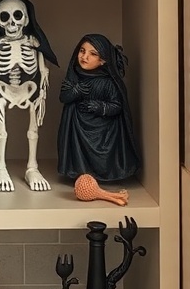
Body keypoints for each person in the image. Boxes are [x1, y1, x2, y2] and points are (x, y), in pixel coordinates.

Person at [57, 33, 141, 183]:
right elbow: (64, 97)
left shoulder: (108, 83)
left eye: (92, 54)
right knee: (79, 153)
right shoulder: (74, 77)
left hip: (104, 132)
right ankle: (81, 172)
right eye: (82, 51)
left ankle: (105, 173)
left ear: (103, 60)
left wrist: (100, 107)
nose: (84, 57)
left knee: (103, 154)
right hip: (78, 130)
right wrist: (76, 91)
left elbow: (117, 106)